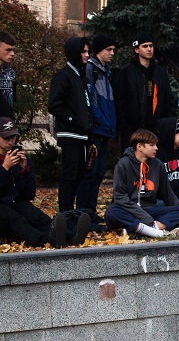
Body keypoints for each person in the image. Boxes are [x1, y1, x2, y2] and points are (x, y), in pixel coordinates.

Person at [0, 117, 89, 248]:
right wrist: (4, 169)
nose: (10, 141)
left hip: (14, 204)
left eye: (13, 137)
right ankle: (45, 239)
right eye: (6, 138)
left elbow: (28, 194)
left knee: (35, 215)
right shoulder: (6, 163)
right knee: (16, 219)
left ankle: (69, 236)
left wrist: (24, 171)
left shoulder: (18, 158)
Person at [105, 128, 179, 239]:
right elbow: (120, 197)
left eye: (156, 145)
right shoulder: (123, 164)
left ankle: (141, 230)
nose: (156, 148)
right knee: (111, 212)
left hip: (151, 209)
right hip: (129, 210)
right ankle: (157, 232)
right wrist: (147, 219)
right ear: (139, 147)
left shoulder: (157, 164)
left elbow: (167, 194)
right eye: (152, 145)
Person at [48, 36, 93, 212]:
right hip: (70, 135)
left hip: (82, 135)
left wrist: (89, 130)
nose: (87, 55)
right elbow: (54, 105)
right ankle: (65, 213)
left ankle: (72, 213)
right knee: (69, 175)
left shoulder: (81, 77)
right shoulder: (63, 76)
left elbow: (87, 106)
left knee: (79, 175)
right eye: (83, 51)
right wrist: (73, 120)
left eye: (88, 51)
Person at [113, 32, 176, 149]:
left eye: (151, 46)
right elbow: (119, 100)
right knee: (133, 164)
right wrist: (123, 125)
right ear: (136, 49)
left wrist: (170, 124)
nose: (149, 49)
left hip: (156, 129)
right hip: (133, 130)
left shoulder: (159, 73)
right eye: (145, 46)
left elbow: (168, 100)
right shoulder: (126, 72)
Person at [77, 34, 116, 213]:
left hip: (105, 130)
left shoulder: (105, 72)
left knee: (98, 173)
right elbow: (91, 103)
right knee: (90, 174)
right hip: (96, 130)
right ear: (99, 50)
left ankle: (90, 212)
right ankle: (85, 212)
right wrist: (101, 122)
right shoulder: (91, 70)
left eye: (113, 50)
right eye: (109, 50)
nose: (112, 53)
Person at [0, 31, 16, 119]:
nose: (12, 54)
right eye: (8, 50)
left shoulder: (10, 73)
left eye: (13, 50)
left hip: (6, 124)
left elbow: (12, 102)